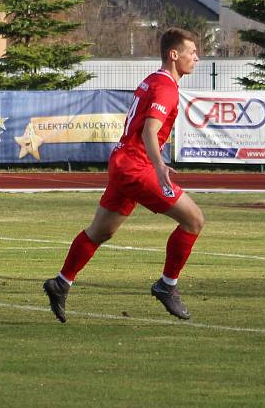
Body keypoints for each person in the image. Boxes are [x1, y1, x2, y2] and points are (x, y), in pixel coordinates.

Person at [43, 28, 204, 322]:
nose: (196, 57)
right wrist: (158, 167)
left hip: (122, 162)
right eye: (191, 52)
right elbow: (150, 131)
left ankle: (61, 282)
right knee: (193, 220)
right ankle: (167, 286)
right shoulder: (166, 87)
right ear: (174, 54)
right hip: (137, 167)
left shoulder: (153, 80)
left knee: (101, 231)